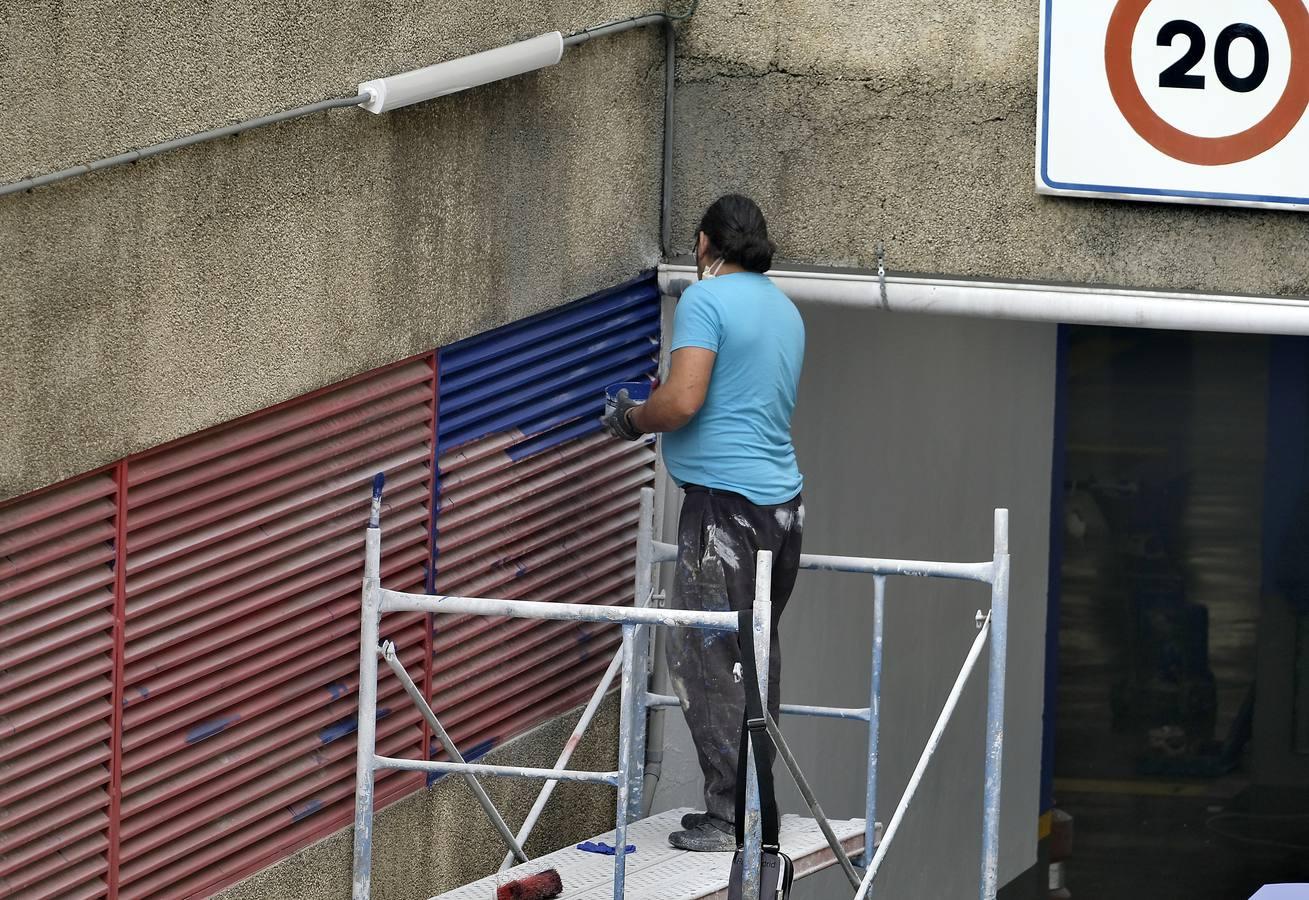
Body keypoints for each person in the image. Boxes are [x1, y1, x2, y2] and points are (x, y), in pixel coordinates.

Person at [602, 194, 806, 852]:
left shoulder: (705, 301)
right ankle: (753, 807)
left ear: (702, 244)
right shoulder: (784, 308)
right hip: (782, 511)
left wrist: (632, 418)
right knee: (753, 656)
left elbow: (683, 400)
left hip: (724, 510)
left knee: (705, 657)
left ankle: (729, 817)